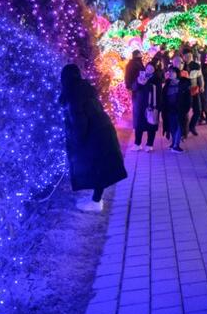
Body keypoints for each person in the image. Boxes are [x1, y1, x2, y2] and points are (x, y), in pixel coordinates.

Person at [59, 64, 127, 212]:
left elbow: (79, 119)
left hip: (94, 136)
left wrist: (78, 140)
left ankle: (96, 202)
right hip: (102, 131)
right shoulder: (85, 89)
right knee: (100, 168)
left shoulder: (73, 94)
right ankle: (96, 200)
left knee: (97, 169)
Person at [161, 66, 191, 153]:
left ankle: (176, 146)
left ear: (177, 74)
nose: (170, 74)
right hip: (169, 109)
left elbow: (188, 98)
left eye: (172, 72)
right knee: (172, 127)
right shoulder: (167, 84)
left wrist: (186, 108)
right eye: (169, 72)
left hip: (180, 109)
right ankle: (174, 143)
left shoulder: (183, 84)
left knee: (179, 126)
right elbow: (163, 96)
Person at [132, 63, 161, 152]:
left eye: (152, 68)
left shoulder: (157, 78)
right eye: (148, 68)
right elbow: (134, 87)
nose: (149, 69)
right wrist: (139, 82)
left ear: (155, 69)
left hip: (152, 104)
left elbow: (159, 92)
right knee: (138, 125)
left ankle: (149, 144)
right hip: (140, 105)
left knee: (151, 124)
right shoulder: (140, 76)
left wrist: (147, 83)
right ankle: (137, 144)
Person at [183, 49, 203, 135]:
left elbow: (200, 77)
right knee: (184, 111)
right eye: (186, 56)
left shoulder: (196, 65)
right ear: (183, 57)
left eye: (190, 56)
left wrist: (202, 86)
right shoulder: (181, 65)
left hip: (194, 89)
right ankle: (184, 130)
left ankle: (192, 126)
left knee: (198, 110)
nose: (188, 58)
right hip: (184, 91)